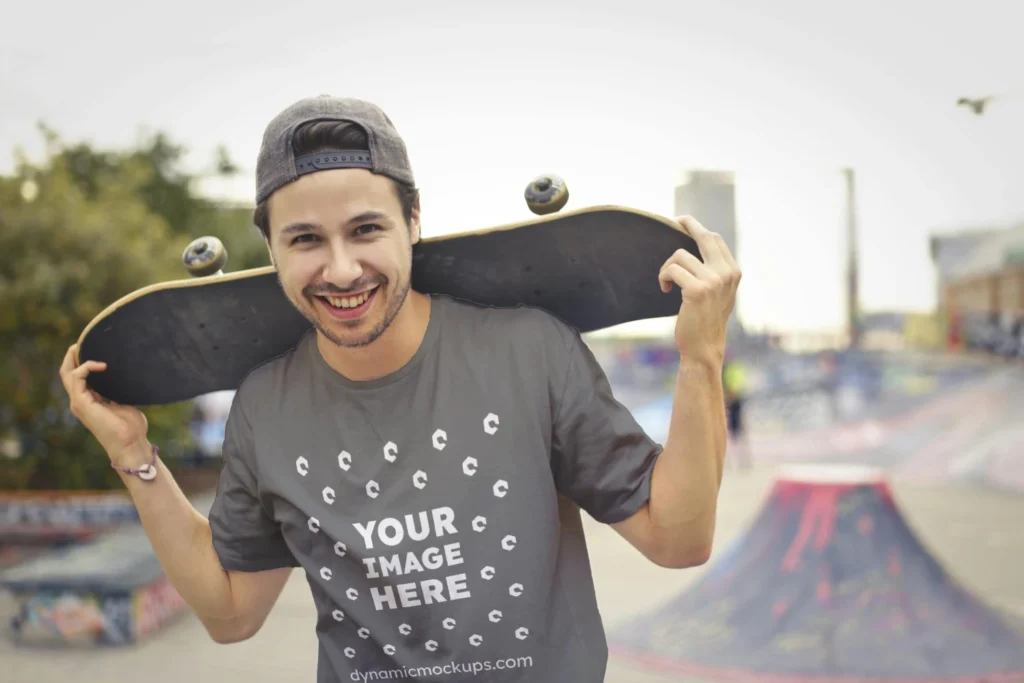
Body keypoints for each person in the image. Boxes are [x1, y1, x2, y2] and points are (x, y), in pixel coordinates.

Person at [59, 95, 741, 682]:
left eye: (366, 229)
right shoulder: (266, 407)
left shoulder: (529, 350)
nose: (342, 268)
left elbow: (677, 539)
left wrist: (700, 358)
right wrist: (135, 457)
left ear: (413, 220)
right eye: (305, 240)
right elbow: (232, 612)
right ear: (271, 249)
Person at [722, 352, 752, 468]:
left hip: (733, 402)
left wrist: (732, 394)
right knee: (729, 431)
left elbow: (738, 385)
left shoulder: (732, 369)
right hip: (728, 401)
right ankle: (734, 460)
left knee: (737, 431)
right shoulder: (726, 369)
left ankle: (742, 459)